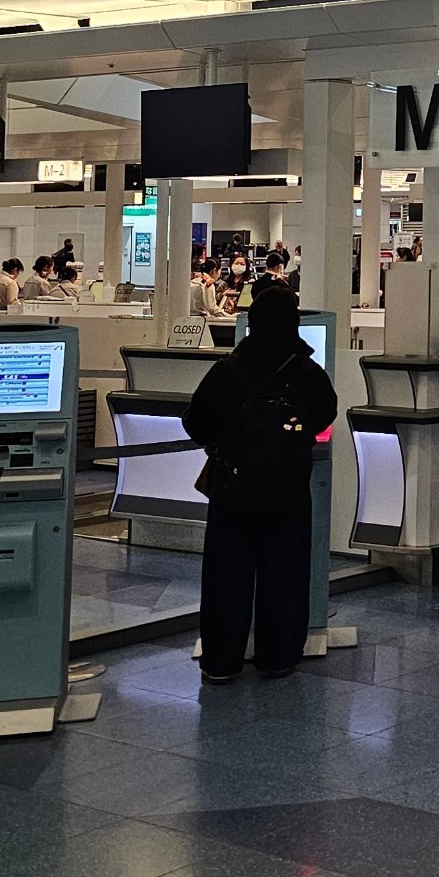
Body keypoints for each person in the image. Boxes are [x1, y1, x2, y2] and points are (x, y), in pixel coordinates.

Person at [182, 279, 332, 682]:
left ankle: (221, 660)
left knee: (226, 576)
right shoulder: (306, 372)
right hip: (288, 489)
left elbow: (196, 423)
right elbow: (326, 413)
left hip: (233, 487)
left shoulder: (228, 370)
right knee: (285, 572)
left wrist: (228, 440)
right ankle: (278, 657)